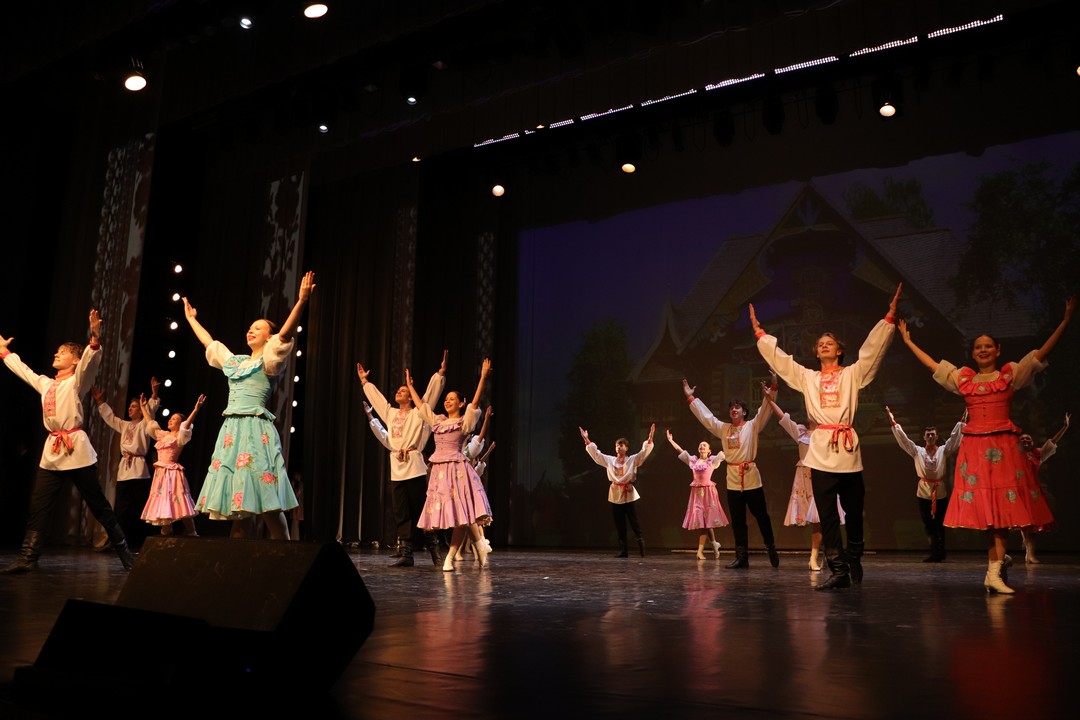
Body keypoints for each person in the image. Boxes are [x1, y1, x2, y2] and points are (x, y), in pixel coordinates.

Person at [897, 295, 1074, 593]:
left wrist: (1066, 321)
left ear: (997, 350)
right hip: (976, 449)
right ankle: (995, 567)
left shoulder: (1009, 375)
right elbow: (934, 367)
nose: (982, 350)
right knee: (989, 513)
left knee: (1002, 511)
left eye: (988, 346)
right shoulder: (965, 378)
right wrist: (908, 342)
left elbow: (1040, 354)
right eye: (978, 346)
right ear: (973, 352)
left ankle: (995, 568)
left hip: (1003, 448)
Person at [752, 283, 902, 590]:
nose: (823, 346)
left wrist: (888, 318)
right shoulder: (809, 378)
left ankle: (854, 555)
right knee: (827, 514)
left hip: (847, 450)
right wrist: (760, 335)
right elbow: (784, 363)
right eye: (820, 343)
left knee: (854, 511)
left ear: (839, 350)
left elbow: (871, 353)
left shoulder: (852, 374)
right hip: (820, 451)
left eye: (829, 343)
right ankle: (838, 569)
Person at [181, 271, 315, 540]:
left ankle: (284, 550)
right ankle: (241, 557)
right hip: (232, 431)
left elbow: (285, 334)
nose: (251, 330)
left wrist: (301, 301)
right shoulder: (236, 362)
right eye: (250, 327)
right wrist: (192, 320)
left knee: (266, 499)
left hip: (255, 429)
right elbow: (210, 343)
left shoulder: (270, 359)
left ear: (269, 337)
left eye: (258, 328)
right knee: (237, 501)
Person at [0, 309, 136, 573]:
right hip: (52, 451)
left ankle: (124, 553)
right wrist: (4, 352)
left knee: (98, 504)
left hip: (76, 450)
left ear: (75, 361)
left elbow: (90, 365)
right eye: (57, 351)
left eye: (62, 352)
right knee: (39, 506)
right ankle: (28, 557)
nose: (56, 354)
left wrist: (94, 337)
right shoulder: (46, 384)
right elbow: (24, 371)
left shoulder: (77, 382)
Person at [358, 351, 447, 568]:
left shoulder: (418, 413)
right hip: (397, 467)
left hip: (414, 466)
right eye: (398, 390)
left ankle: (434, 548)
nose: (399, 392)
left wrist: (439, 375)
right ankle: (406, 553)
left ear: (410, 396)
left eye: (404, 390)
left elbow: (430, 397)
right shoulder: (390, 413)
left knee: (422, 509)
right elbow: (378, 400)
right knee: (401, 511)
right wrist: (365, 383)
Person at [683, 377, 779, 569]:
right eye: (731, 408)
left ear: (744, 412)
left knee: (761, 516)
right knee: (738, 521)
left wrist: (772, 391)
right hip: (733, 480)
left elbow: (765, 410)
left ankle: (771, 547)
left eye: (737, 407)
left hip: (751, 478)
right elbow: (707, 418)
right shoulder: (724, 429)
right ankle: (742, 557)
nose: (734, 410)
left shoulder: (752, 425)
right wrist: (691, 398)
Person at [409, 358, 494, 571]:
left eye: (452, 399)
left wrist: (483, 377)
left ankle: (451, 556)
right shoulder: (438, 421)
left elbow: (475, 404)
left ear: (460, 403)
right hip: (440, 472)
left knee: (462, 515)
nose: (447, 401)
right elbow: (421, 407)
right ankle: (479, 544)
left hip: (458, 471)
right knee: (454, 515)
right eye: (446, 399)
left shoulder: (463, 422)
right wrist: (410, 387)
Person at [763, 384, 846, 572]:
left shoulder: (827, 433)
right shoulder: (800, 431)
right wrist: (769, 399)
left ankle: (817, 555)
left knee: (822, 519)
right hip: (804, 478)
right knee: (815, 521)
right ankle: (817, 555)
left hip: (821, 476)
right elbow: (781, 416)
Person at [885, 406, 965, 563]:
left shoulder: (943, 450)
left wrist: (962, 421)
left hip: (939, 491)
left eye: (932, 434)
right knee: (929, 524)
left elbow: (954, 438)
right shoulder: (918, 451)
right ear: (924, 437)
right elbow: (904, 441)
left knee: (940, 523)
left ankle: (941, 551)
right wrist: (893, 423)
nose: (930, 436)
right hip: (923, 492)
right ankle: (934, 551)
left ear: (936, 436)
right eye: (928, 434)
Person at [91, 377, 161, 551]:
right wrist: (100, 402)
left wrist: (154, 394)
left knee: (140, 506)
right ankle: (118, 542)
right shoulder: (124, 425)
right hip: (125, 470)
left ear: (141, 410)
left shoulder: (144, 424)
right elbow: (111, 418)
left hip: (139, 470)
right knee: (121, 509)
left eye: (134, 406)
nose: (130, 408)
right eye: (130, 406)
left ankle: (143, 541)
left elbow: (150, 412)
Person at [580, 423, 656, 558]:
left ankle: (640, 541)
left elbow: (643, 453)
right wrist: (586, 439)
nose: (618, 447)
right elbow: (597, 455)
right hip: (615, 492)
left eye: (621, 445)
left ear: (626, 448)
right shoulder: (610, 460)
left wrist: (650, 438)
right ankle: (623, 550)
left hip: (627, 491)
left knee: (633, 520)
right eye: (617, 445)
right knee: (619, 523)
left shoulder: (631, 460)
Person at [140, 394, 206, 535]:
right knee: (164, 503)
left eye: (174, 419)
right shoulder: (163, 435)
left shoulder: (179, 437)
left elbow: (187, 425)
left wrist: (196, 409)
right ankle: (165, 535)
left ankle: (192, 533)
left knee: (180, 501)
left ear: (180, 423)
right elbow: (150, 423)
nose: (170, 420)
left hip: (173, 473)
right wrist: (143, 407)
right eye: (170, 418)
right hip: (160, 474)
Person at [665, 429, 728, 560]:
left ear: (709, 450)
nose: (702, 446)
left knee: (706, 523)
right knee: (703, 523)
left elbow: (725, 453)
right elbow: (681, 451)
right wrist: (671, 441)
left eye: (704, 445)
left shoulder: (712, 461)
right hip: (697, 495)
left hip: (708, 494)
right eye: (700, 445)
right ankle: (714, 543)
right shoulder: (693, 461)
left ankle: (701, 550)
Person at [1016, 412, 1069, 563]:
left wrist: (1065, 427)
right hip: (1020, 492)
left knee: (1033, 525)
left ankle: (1029, 552)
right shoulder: (1014, 456)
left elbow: (1053, 441)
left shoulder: (1037, 454)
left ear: (1032, 442)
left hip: (1033, 494)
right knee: (1025, 524)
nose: (1025, 440)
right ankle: (1029, 551)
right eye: (1023, 439)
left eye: (1028, 439)